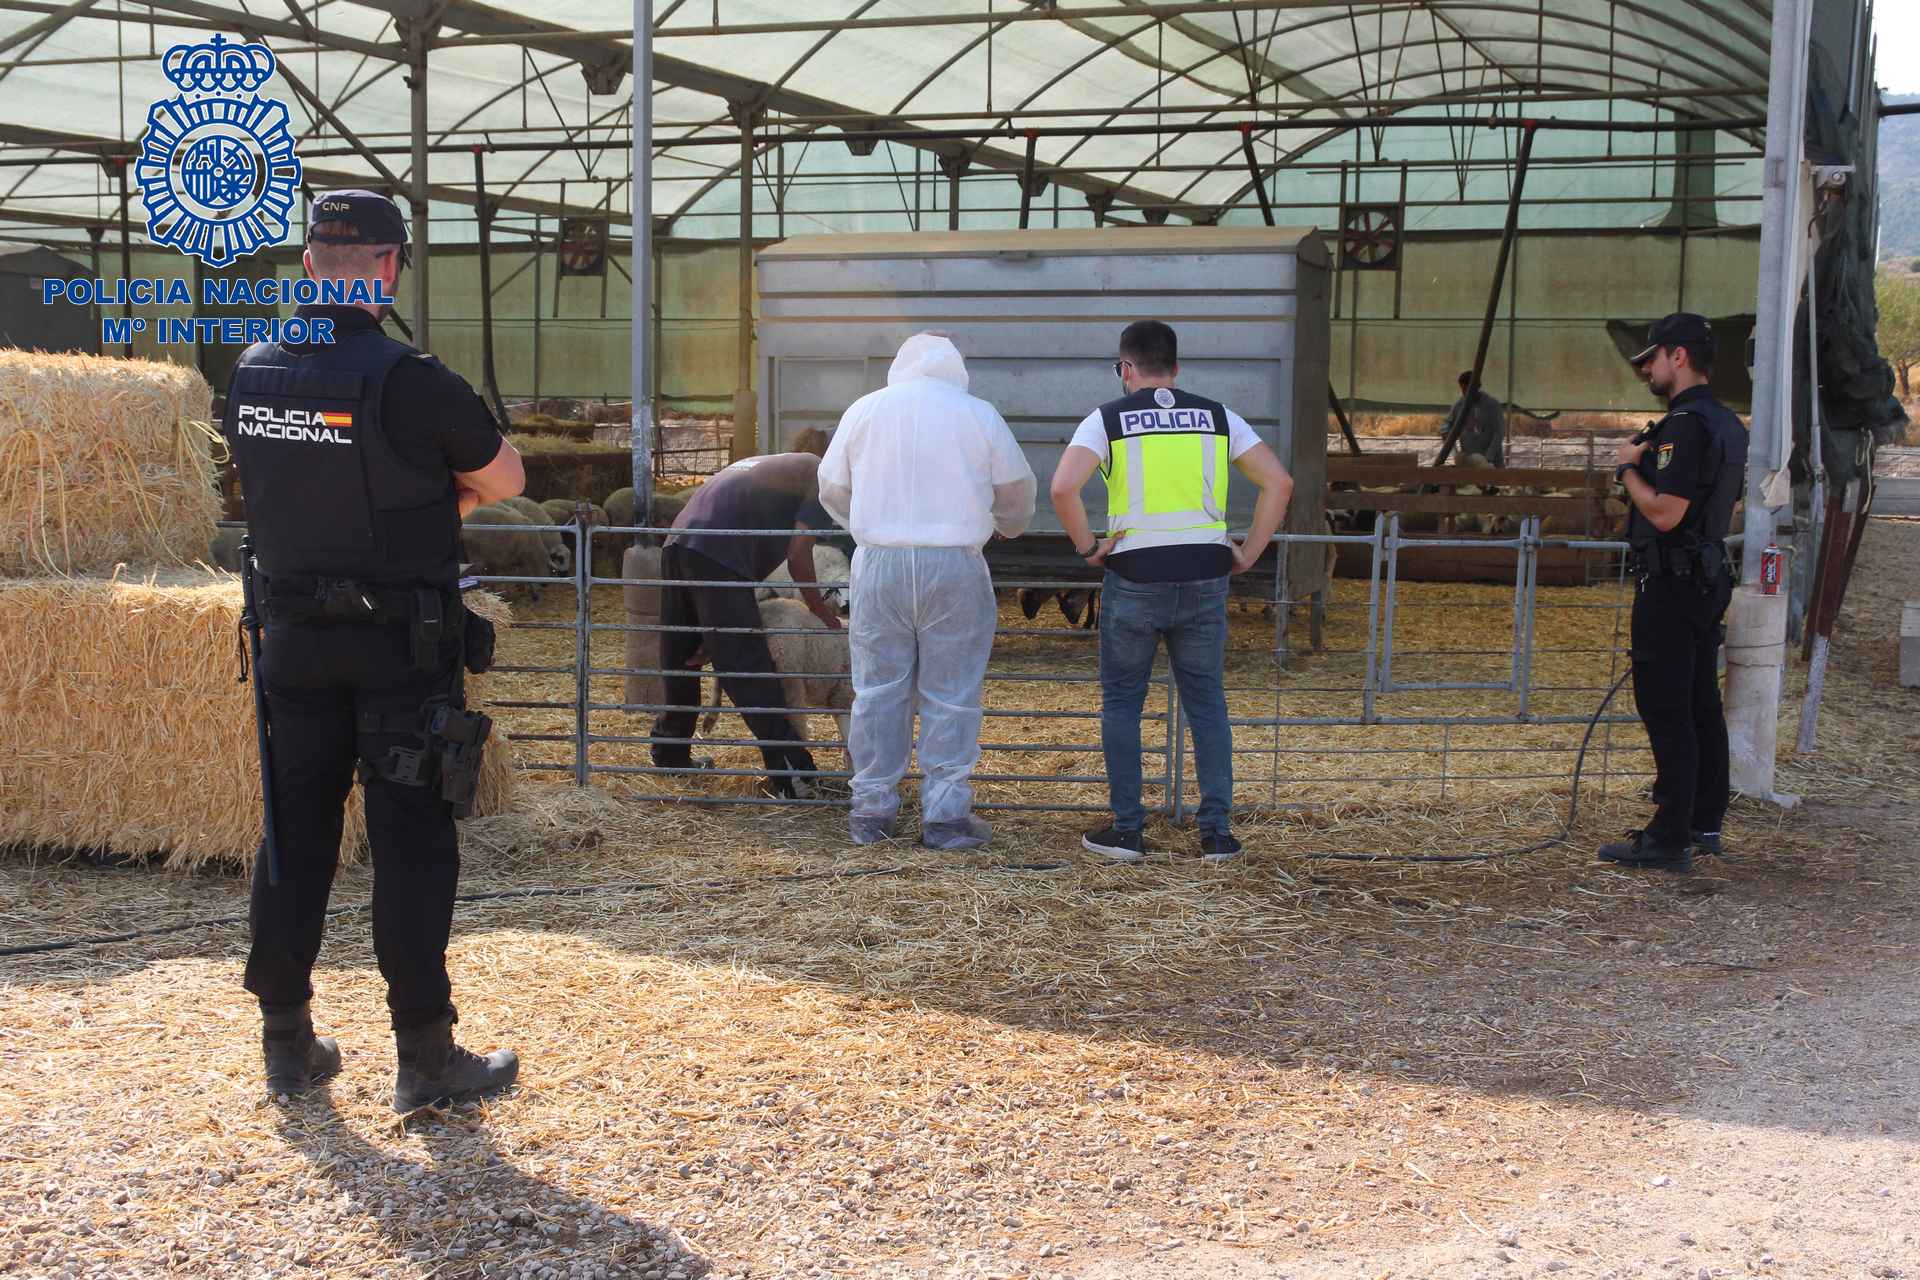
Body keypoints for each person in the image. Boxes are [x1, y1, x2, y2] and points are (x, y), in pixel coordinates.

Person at [226, 190, 524, 1109]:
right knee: (411, 845)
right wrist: (445, 504)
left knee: (296, 837)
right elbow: (506, 478)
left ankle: (287, 1044)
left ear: (310, 264)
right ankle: (425, 1060)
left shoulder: (253, 369)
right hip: (400, 650)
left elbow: (277, 493)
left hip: (292, 646)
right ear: (391, 268)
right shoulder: (412, 378)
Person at [1049, 321, 1293, 865]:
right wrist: (1249, 551)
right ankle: (1217, 835)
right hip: (1206, 574)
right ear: (1176, 369)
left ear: (1126, 369)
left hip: (1134, 576)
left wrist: (1090, 545)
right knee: (1206, 703)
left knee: (1122, 704)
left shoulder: (1107, 419)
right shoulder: (1217, 416)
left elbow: (1063, 486)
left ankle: (1129, 832)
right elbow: (1279, 482)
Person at [816, 333, 1036, 850]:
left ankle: (871, 812)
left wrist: (865, 526)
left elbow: (831, 486)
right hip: (954, 563)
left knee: (877, 690)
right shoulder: (978, 414)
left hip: (879, 563)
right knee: (952, 693)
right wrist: (1005, 524)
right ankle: (946, 817)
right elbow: (1017, 491)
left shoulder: (864, 410)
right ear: (956, 370)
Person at [1599, 313, 1748, 874]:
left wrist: (1627, 472)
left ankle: (1668, 835)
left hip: (1672, 579)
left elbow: (1666, 513)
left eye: (1654, 358)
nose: (1648, 371)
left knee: (1666, 705)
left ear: (1678, 357)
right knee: (1699, 702)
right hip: (1706, 575)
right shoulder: (1728, 423)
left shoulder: (1684, 425)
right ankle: (1705, 820)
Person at [652, 451, 843, 797]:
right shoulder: (823, 478)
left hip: (679, 542)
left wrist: (718, 631)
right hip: (719, 550)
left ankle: (670, 753)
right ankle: (791, 771)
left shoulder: (783, 463)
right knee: (748, 665)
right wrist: (818, 607)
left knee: (681, 654)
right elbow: (799, 553)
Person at [1449, 370, 1506, 467]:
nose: (1464, 393)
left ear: (1477, 387)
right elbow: (1447, 428)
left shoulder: (1492, 405)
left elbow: (1499, 432)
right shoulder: (1459, 406)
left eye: (1466, 390)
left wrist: (1488, 458)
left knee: (1490, 478)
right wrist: (1455, 453)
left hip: (1492, 463)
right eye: (1462, 389)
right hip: (1469, 462)